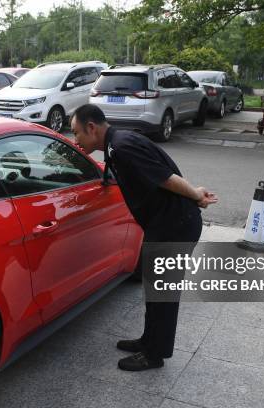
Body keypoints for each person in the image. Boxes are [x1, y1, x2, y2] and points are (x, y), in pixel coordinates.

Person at [70, 104, 218, 371]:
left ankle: (154, 354)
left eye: (77, 133)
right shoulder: (117, 144)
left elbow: (166, 179)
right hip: (167, 222)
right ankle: (149, 340)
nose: (75, 140)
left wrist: (196, 195)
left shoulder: (123, 146)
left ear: (92, 128)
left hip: (175, 225)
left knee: (163, 291)